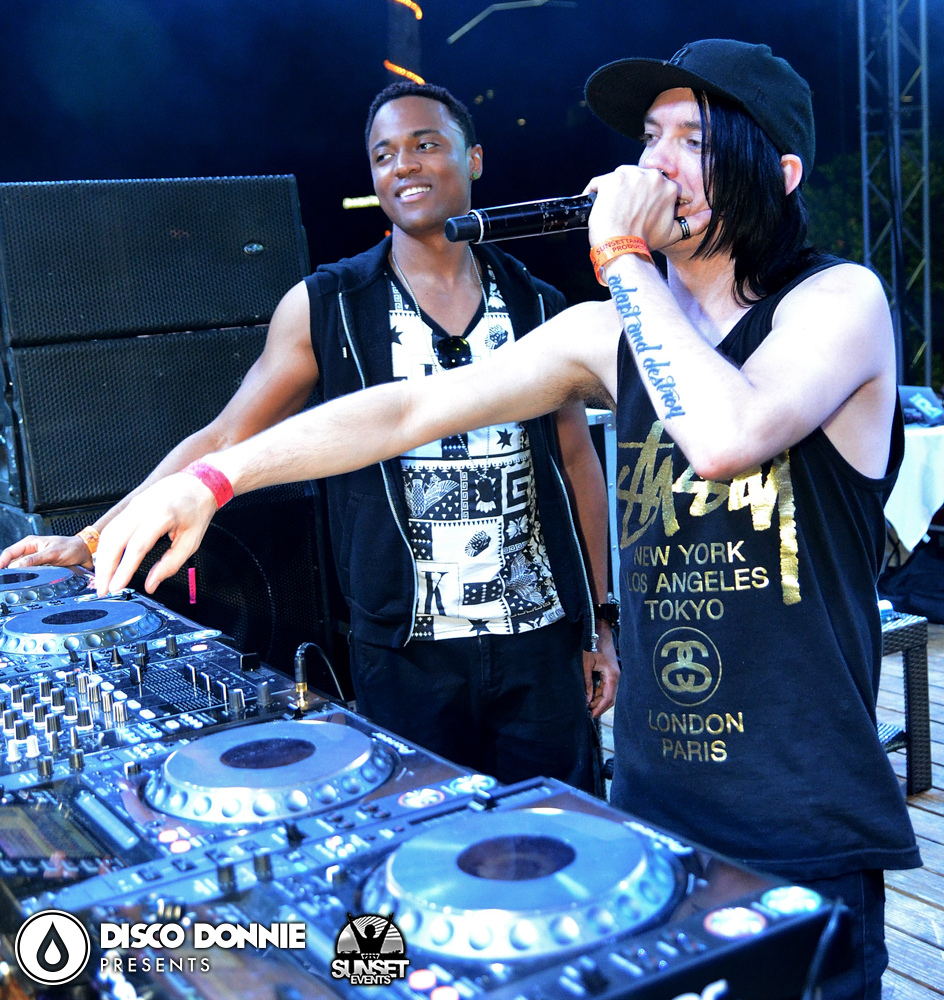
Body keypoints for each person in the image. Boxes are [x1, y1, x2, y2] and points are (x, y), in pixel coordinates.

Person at [90, 41, 919, 997]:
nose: (656, 165)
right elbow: (405, 410)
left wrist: (622, 258)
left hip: (800, 816)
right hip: (654, 809)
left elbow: (727, 434)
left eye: (693, 141)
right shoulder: (606, 332)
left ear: (779, 174)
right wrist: (216, 478)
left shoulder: (838, 302)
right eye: (650, 139)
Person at [0, 81, 619, 792]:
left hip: (540, 641)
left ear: (473, 158)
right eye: (384, 154)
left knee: (559, 827)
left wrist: (599, 622)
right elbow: (225, 436)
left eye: (425, 144)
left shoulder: (538, 303)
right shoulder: (329, 305)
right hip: (406, 655)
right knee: (414, 832)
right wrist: (94, 538)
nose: (404, 165)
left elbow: (576, 464)